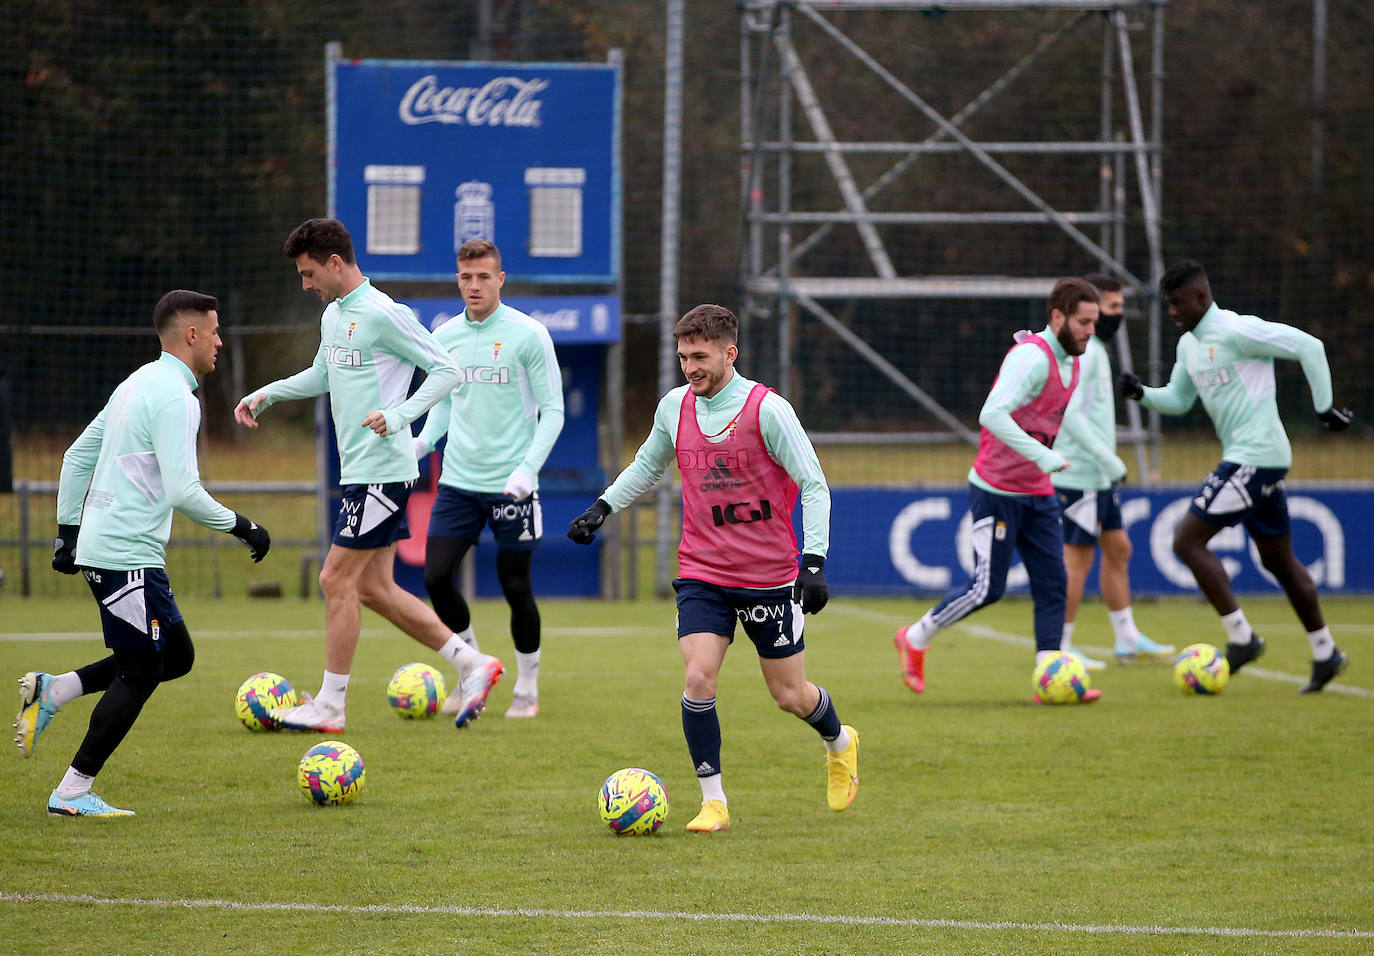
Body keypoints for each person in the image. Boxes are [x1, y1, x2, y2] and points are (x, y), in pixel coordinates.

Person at [566, 304, 856, 832]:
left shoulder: (768, 410)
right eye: (682, 357)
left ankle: (840, 741)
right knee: (698, 677)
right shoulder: (674, 407)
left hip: (769, 575)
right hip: (702, 569)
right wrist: (602, 508)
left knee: (789, 694)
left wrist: (813, 562)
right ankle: (713, 801)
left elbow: (813, 484)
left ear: (730, 353)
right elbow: (648, 464)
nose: (689, 367)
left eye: (699, 357)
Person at [234, 218, 504, 731]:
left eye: (310, 273)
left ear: (336, 263)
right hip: (361, 471)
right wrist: (269, 391)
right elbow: (322, 373)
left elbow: (448, 370)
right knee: (374, 589)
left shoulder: (383, 313)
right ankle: (473, 663)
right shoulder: (335, 315)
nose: (306, 284)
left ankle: (331, 705)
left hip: (383, 471)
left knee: (333, 578)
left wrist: (400, 416)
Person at [14, 290, 272, 816]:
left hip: (110, 546)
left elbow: (75, 456)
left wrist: (67, 532)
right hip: (125, 554)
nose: (221, 342)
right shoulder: (178, 399)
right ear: (192, 334)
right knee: (140, 671)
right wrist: (245, 527)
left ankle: (55, 690)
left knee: (174, 656)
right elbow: (183, 492)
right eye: (216, 332)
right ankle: (71, 791)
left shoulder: (136, 382)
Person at [1118, 259, 1353, 693]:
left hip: (1256, 456)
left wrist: (1325, 409)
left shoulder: (1237, 329)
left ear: (1201, 298)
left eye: (1176, 303)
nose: (1171, 312)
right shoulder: (1189, 346)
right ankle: (1326, 653)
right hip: (1250, 458)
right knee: (1277, 560)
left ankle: (1242, 639)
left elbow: (1310, 346)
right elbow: (1178, 399)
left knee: (1185, 541)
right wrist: (1142, 395)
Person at [894, 278, 1101, 702]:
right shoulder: (1030, 357)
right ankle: (914, 637)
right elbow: (992, 414)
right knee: (988, 587)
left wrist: (1098, 456)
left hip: (1038, 491)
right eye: (1083, 322)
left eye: (1095, 323)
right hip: (997, 489)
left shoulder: (1075, 360)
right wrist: (1042, 457)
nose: (1090, 331)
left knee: (1053, 583)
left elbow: (1056, 417)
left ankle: (1051, 676)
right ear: (1058, 316)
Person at [413, 239, 565, 719]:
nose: (474, 285)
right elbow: (442, 402)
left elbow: (554, 412)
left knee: (515, 586)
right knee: (436, 576)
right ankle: (472, 666)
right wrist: (421, 443)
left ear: (501, 279)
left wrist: (527, 471)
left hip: (511, 486)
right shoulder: (446, 335)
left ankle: (528, 686)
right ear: (456, 280)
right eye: (465, 277)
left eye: (483, 277)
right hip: (458, 481)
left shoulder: (528, 334)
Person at [1051, 273, 1174, 670]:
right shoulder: (1082, 353)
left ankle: (1126, 638)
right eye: (1114, 306)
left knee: (1119, 549)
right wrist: (1105, 458)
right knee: (1078, 562)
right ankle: (1061, 645)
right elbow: (1067, 412)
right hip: (1080, 473)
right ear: (1090, 308)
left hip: (1099, 476)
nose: (1120, 314)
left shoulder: (1098, 349)